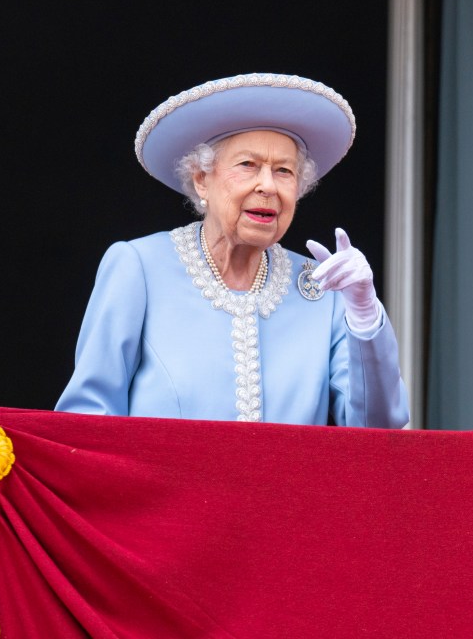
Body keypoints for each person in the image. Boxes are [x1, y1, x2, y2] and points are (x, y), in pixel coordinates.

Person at [56, 72, 409, 428]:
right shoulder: (140, 267)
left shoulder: (322, 289)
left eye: (284, 171)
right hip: (163, 486)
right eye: (248, 165)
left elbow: (377, 430)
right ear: (201, 179)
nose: (268, 185)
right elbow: (87, 421)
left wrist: (364, 316)